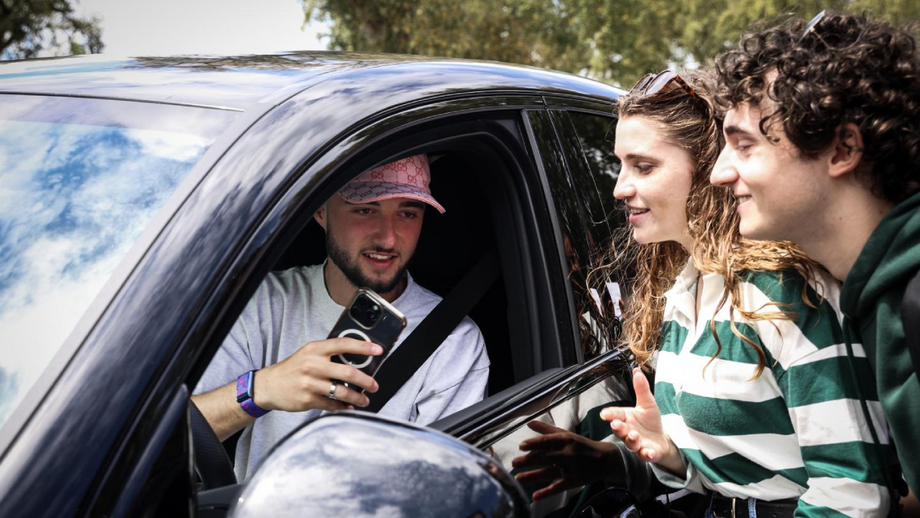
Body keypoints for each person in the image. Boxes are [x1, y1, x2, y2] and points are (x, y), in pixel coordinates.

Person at [512, 70, 890, 517]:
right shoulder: (683, 292)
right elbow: (737, 470)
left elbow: (854, 495)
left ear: (707, 165)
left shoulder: (782, 294)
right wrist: (668, 452)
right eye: (620, 165)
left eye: (644, 166)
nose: (619, 188)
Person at [710, 11, 920, 506]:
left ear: (842, 148)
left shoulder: (912, 298)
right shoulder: (872, 291)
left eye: (745, 145)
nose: (720, 173)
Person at [192, 154, 490, 481]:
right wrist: (262, 389)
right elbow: (168, 445)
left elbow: (442, 490)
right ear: (321, 211)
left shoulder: (454, 342)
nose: (388, 238)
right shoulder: (265, 302)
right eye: (365, 209)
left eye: (407, 213)